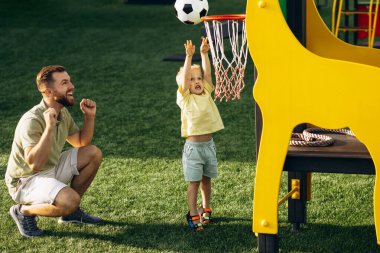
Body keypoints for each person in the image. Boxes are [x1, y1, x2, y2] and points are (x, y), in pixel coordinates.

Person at [5, 65, 103, 237]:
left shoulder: (62, 112)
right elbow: (35, 164)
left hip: (50, 170)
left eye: (69, 81)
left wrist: (89, 117)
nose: (71, 86)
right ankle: (23, 211)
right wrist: (49, 127)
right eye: (64, 83)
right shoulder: (32, 119)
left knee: (93, 153)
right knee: (70, 200)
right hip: (26, 181)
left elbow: (80, 142)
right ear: (48, 92)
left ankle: (70, 213)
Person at [176, 38, 224, 231]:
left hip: (209, 146)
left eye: (198, 79)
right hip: (193, 150)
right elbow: (186, 77)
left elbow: (208, 73)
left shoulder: (207, 93)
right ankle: (192, 213)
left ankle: (206, 208)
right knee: (194, 182)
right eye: (191, 79)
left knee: (207, 180)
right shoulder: (185, 98)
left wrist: (204, 54)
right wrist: (189, 57)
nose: (196, 81)